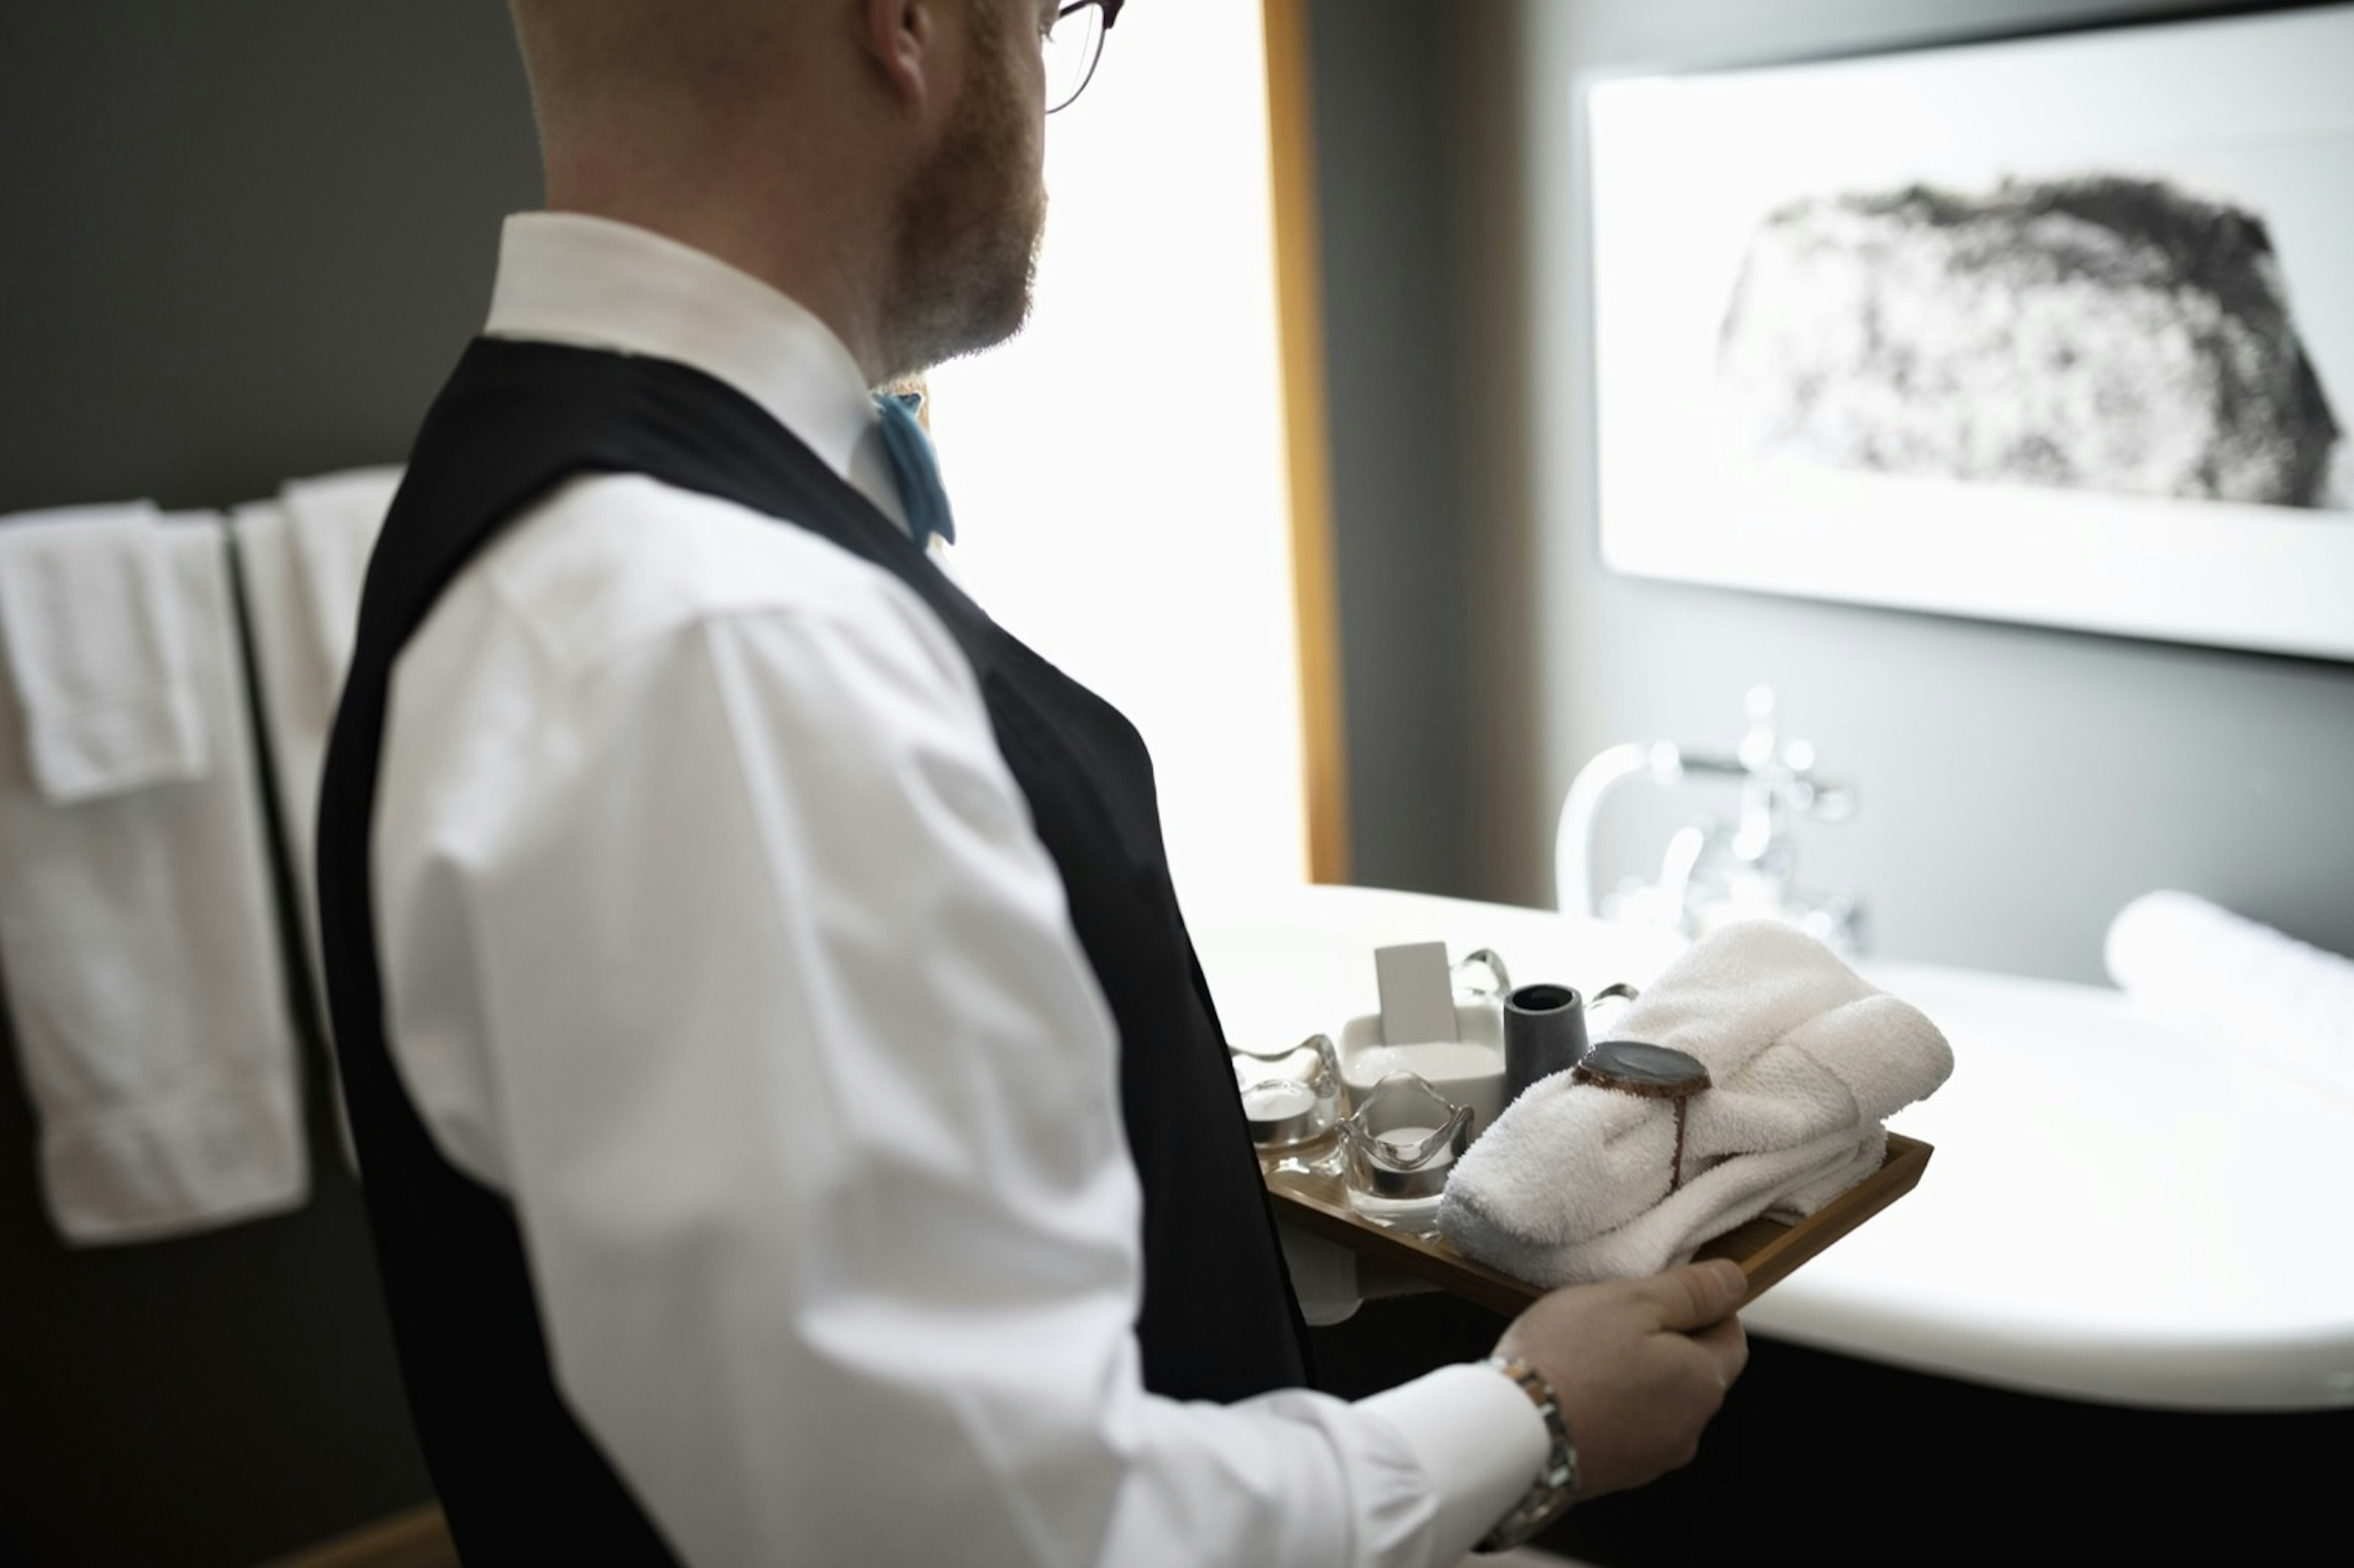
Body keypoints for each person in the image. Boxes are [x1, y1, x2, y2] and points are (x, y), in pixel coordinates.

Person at [313, 2, 1749, 1563]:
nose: (1051, 86)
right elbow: (1000, 1532)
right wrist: (1526, 1420)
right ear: (912, 23)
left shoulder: (535, 483)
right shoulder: (725, 640)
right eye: (1054, 13)